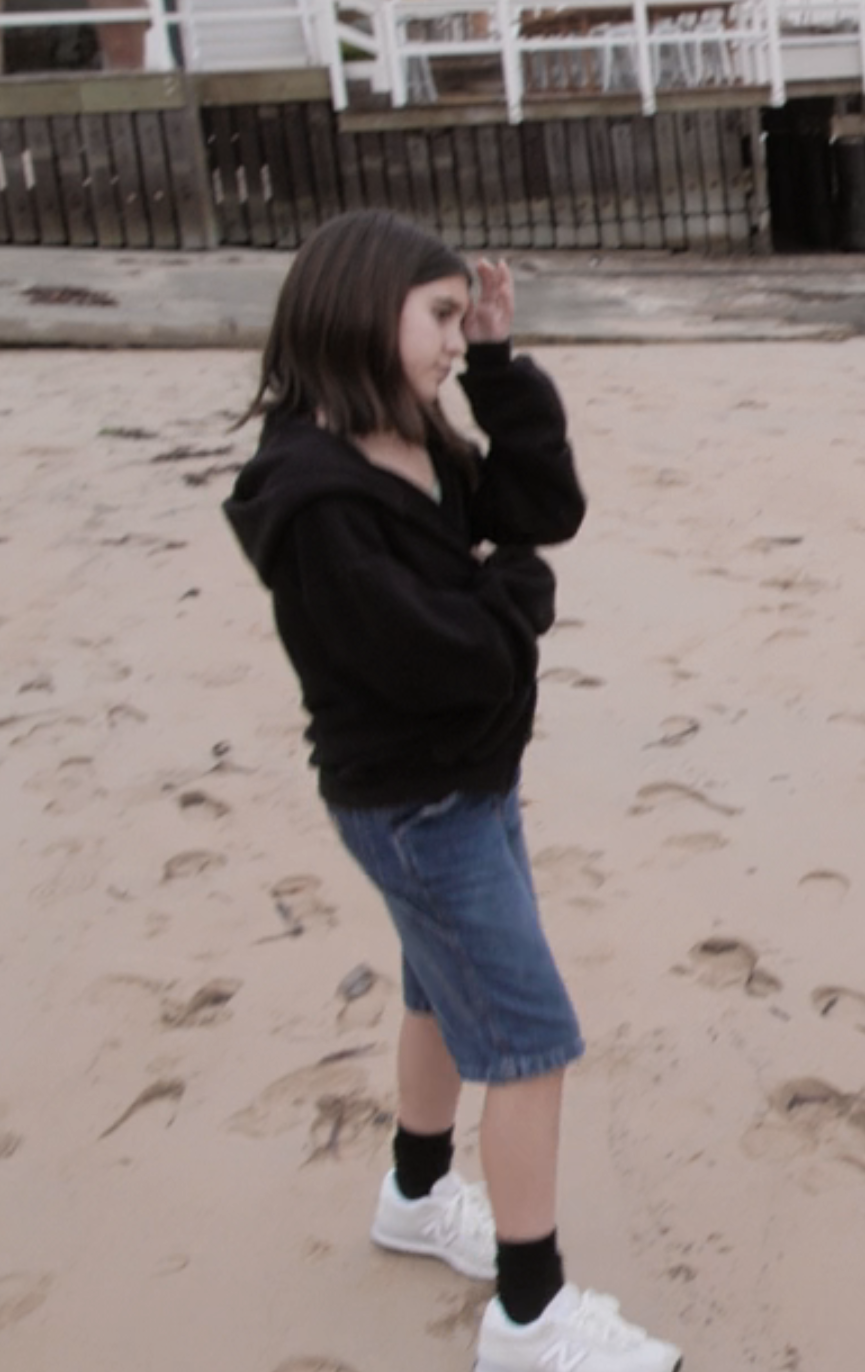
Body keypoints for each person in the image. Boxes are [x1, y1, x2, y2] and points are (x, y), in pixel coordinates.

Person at [223, 211, 680, 1372]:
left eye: (455, 320)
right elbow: (445, 658)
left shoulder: (413, 439)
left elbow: (544, 512)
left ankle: (415, 1197)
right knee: (529, 1041)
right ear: (358, 309)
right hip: (415, 803)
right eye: (437, 318)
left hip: (468, 782)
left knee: (436, 993)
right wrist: (512, 595)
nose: (447, 339)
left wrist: (495, 364)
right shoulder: (314, 496)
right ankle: (530, 1316)